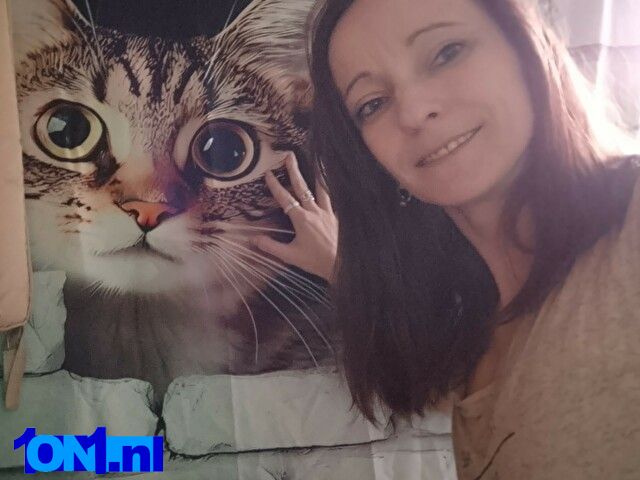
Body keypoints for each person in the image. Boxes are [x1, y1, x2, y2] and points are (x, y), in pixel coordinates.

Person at [253, 0, 640, 478]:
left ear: (527, 48)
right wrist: (342, 267)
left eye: (446, 52)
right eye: (372, 104)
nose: (414, 112)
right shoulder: (470, 334)